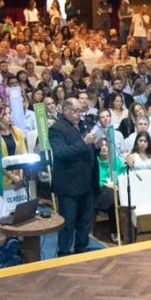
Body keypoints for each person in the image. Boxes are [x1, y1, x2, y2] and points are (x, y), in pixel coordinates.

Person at [49, 99, 100, 256]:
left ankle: (81, 248)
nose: (80, 114)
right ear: (65, 110)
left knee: (85, 219)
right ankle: (64, 251)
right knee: (68, 221)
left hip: (87, 181)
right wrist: (84, 143)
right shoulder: (56, 129)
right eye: (76, 111)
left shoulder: (83, 126)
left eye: (81, 111)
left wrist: (95, 148)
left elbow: (87, 150)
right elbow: (61, 153)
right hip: (69, 183)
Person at [0, 106, 27, 191]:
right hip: (1, 178)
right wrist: (12, 177)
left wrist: (20, 174)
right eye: (4, 114)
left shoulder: (17, 132)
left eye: (9, 113)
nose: (9, 116)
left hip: (19, 177)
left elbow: (24, 154)